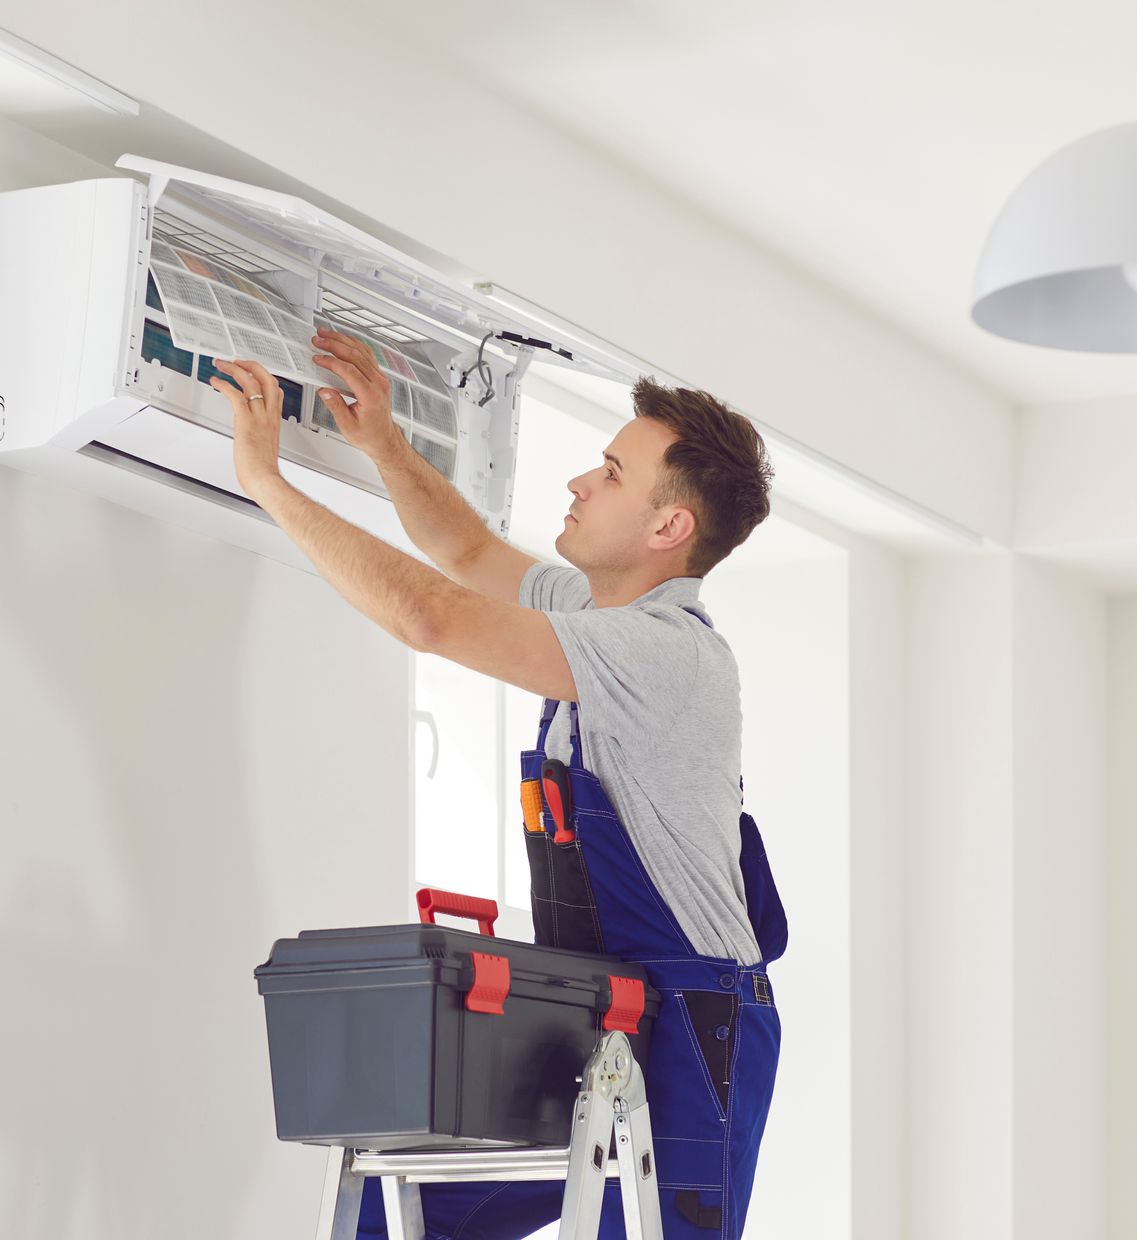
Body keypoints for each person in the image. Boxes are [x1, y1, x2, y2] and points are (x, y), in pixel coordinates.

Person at [211, 331, 786, 1240]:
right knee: (391, 1216)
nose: (578, 484)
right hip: (603, 1011)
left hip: (690, 1027)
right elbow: (469, 557)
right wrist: (384, 446)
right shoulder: (595, 612)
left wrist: (271, 485)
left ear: (668, 528)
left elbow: (432, 617)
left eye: (609, 473)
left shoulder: (668, 654)